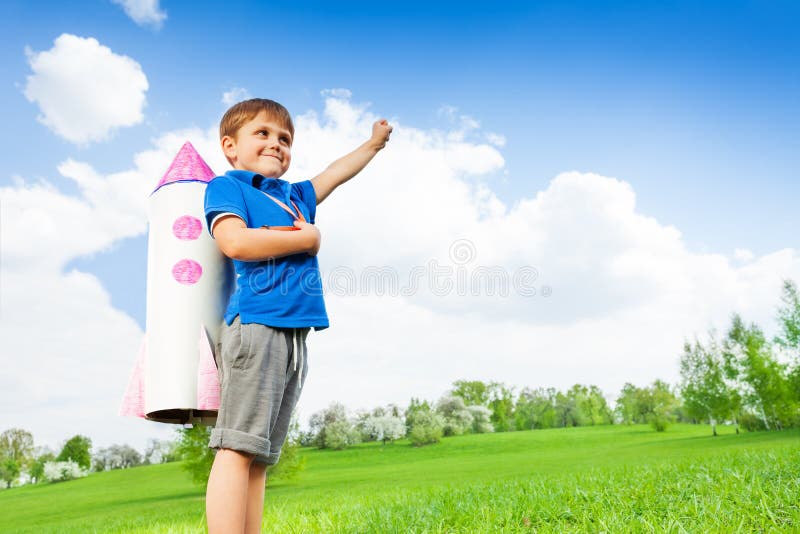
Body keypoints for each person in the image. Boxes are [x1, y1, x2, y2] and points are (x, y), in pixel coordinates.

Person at [202, 98, 391, 533]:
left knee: (260, 454)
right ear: (230, 147)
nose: (276, 144)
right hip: (256, 324)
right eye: (262, 134)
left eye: (285, 139)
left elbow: (335, 174)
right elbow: (234, 243)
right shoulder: (228, 187)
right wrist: (306, 239)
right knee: (236, 447)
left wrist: (373, 144)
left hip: (292, 337)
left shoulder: (295, 196)